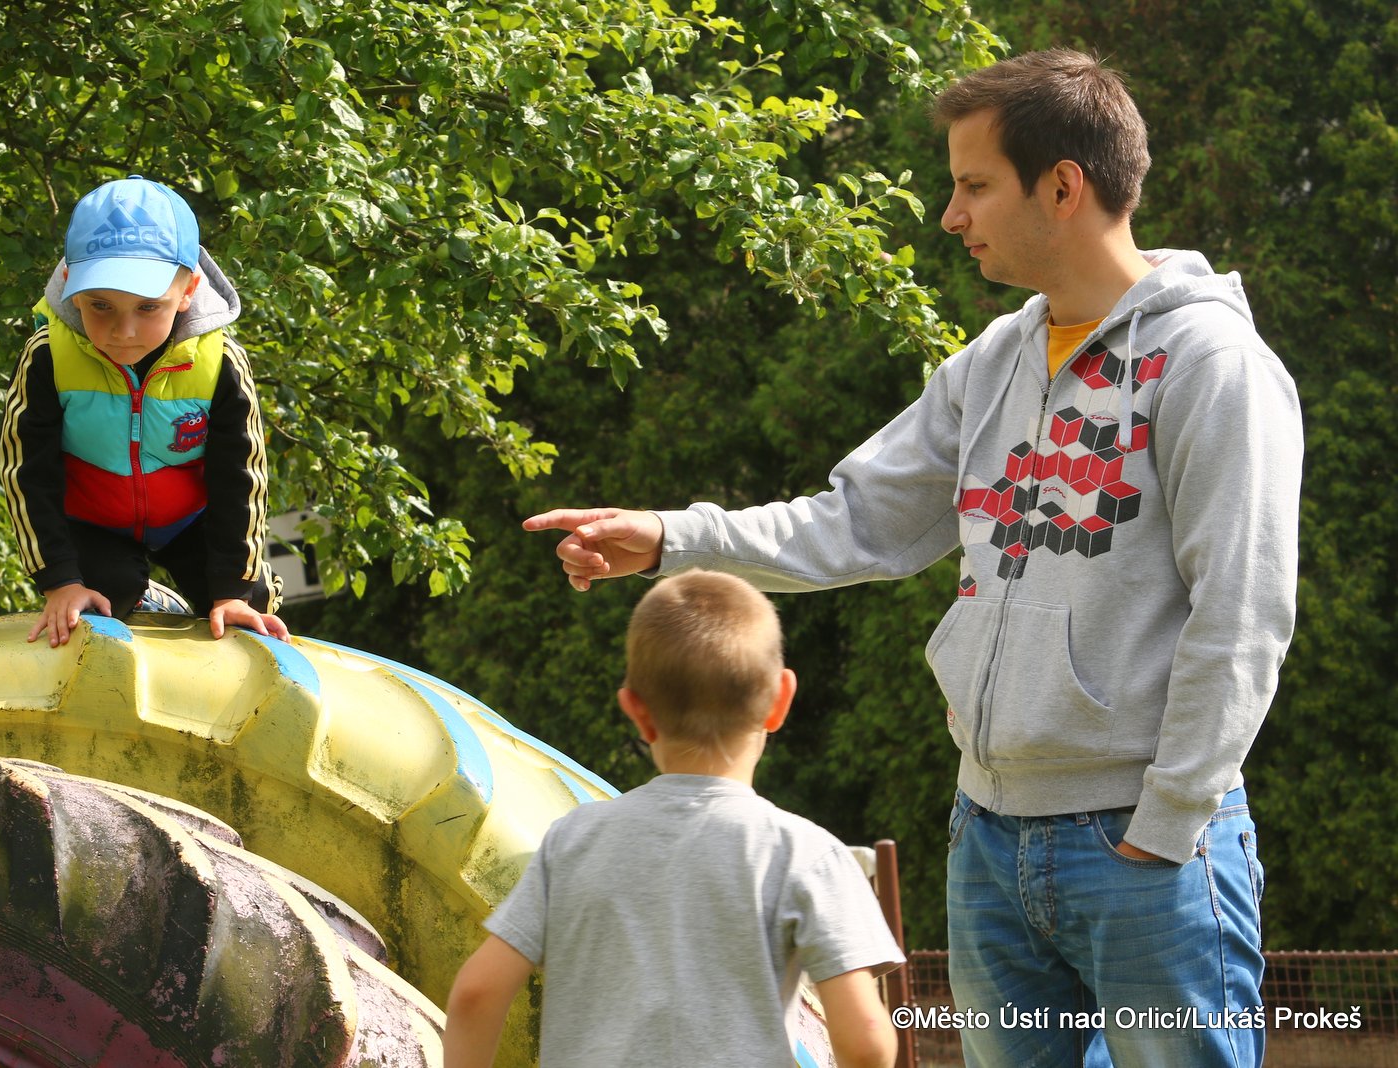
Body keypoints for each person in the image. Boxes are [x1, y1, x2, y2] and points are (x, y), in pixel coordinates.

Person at [524, 49, 1302, 1068]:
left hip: (1145, 847)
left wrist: (1167, 823)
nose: (950, 214)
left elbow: (1241, 614)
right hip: (988, 835)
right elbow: (854, 522)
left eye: (974, 184)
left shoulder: (1212, 364)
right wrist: (673, 538)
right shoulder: (993, 363)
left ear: (1061, 186)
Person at [443, 570, 903, 1068]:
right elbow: (866, 1041)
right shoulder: (809, 856)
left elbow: (476, 994)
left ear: (636, 710)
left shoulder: (572, 841)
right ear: (780, 700)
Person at [0, 175, 287, 647]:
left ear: (189, 290)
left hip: (192, 518)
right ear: (71, 286)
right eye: (101, 305)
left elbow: (242, 476)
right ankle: (145, 598)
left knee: (247, 606)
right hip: (93, 520)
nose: (123, 331)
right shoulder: (48, 355)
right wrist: (59, 579)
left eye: (149, 307)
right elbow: (26, 470)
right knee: (94, 606)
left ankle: (227, 591)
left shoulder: (220, 362)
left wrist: (232, 590)